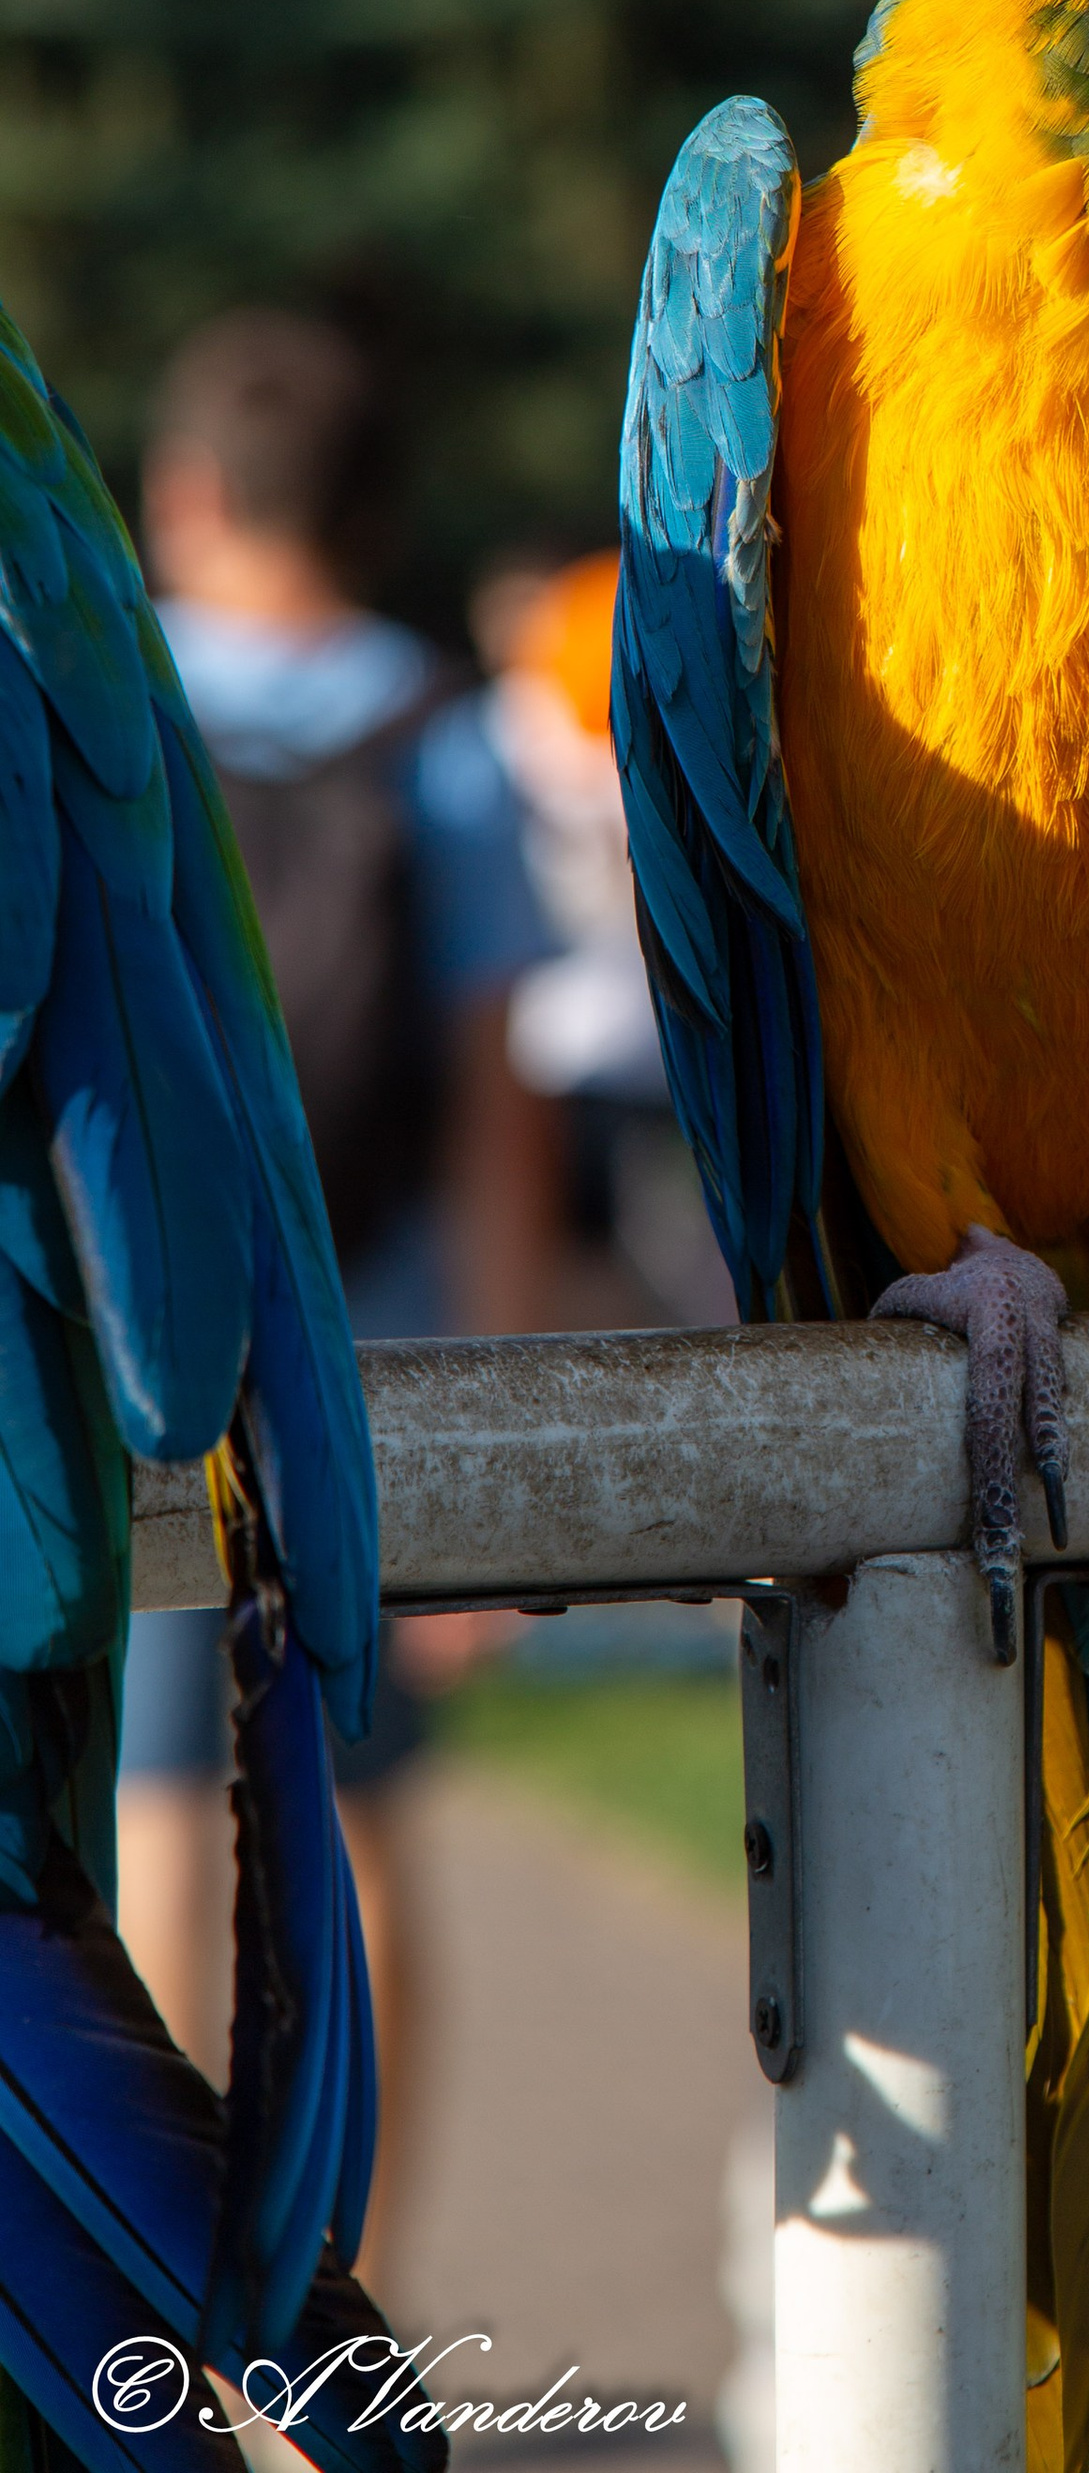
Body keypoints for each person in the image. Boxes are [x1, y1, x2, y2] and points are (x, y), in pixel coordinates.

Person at [115, 309, 564, 2283]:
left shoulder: (99, 699)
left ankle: (148, 2317)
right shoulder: (438, 735)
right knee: (360, 1837)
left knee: (149, 1814)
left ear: (188, 495)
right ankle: (340, 2317)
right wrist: (501, 1419)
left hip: (138, 1354)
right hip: (372, 1352)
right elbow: (499, 1106)